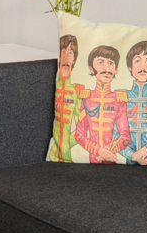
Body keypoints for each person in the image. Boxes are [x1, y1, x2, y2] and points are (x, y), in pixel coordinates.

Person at [74, 44, 128, 164]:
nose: (107, 69)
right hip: (92, 160)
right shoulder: (86, 98)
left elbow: (125, 137)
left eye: (111, 63)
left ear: (116, 70)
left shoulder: (119, 99)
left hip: (112, 158)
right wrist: (99, 151)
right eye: (100, 62)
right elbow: (79, 134)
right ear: (91, 69)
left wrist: (110, 151)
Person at [50, 33, 80, 161]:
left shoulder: (78, 90)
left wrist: (66, 144)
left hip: (69, 151)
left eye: (70, 53)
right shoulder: (51, 84)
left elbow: (83, 128)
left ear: (74, 59)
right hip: (55, 153)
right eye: (63, 51)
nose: (66, 57)